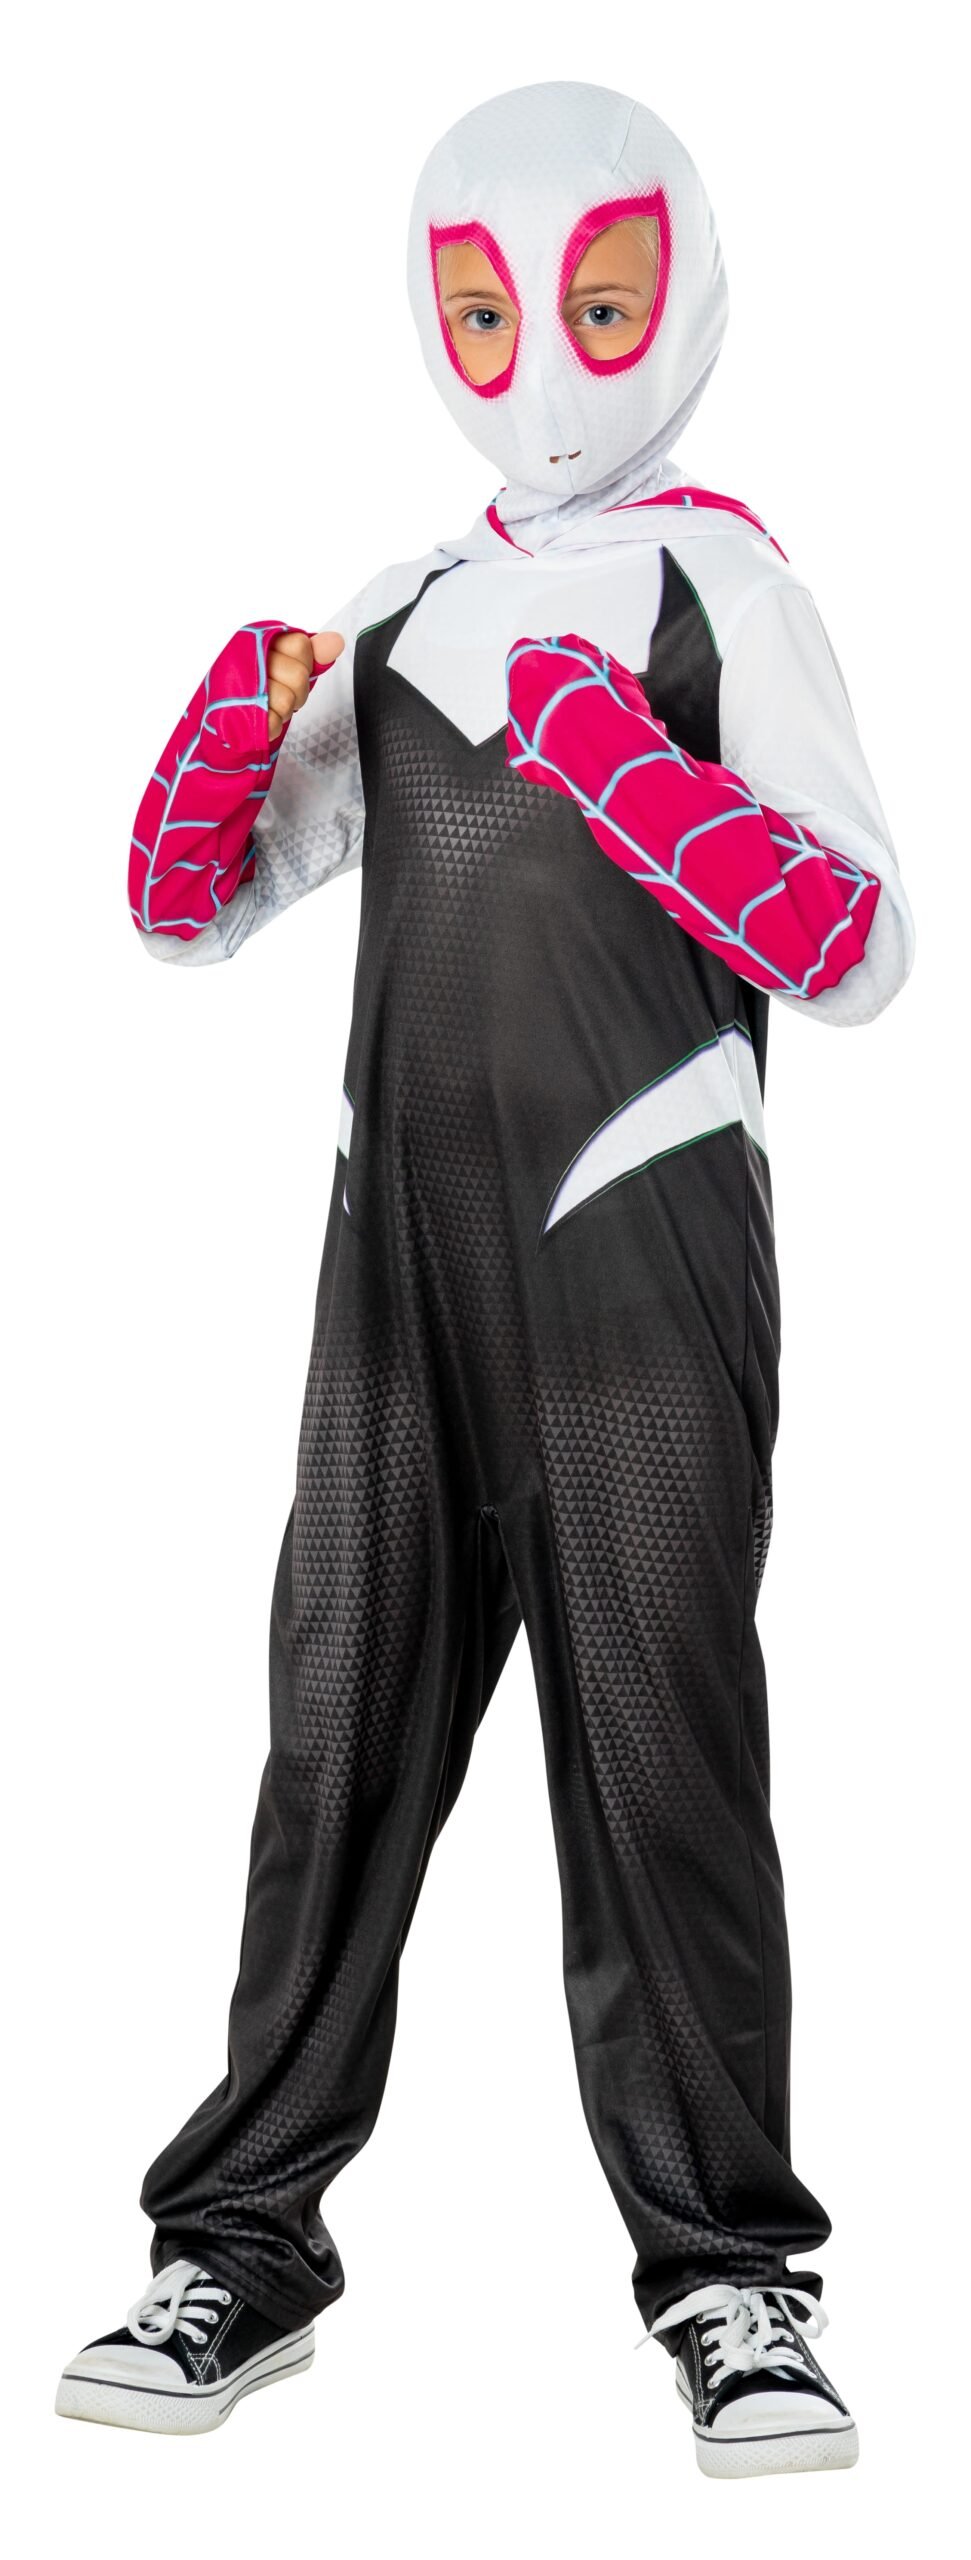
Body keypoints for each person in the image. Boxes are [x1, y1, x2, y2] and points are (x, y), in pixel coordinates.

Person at [56, 80, 914, 2474]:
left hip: (643, 1250)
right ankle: (241, 2238)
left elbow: (858, 942)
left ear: (682, 291)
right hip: (394, 1271)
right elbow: (196, 909)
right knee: (332, 1736)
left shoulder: (724, 589)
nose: (542, 356)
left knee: (659, 1748)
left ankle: (733, 2275)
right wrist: (217, 746)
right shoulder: (405, 605)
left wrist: (639, 774)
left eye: (599, 301)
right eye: (493, 307)